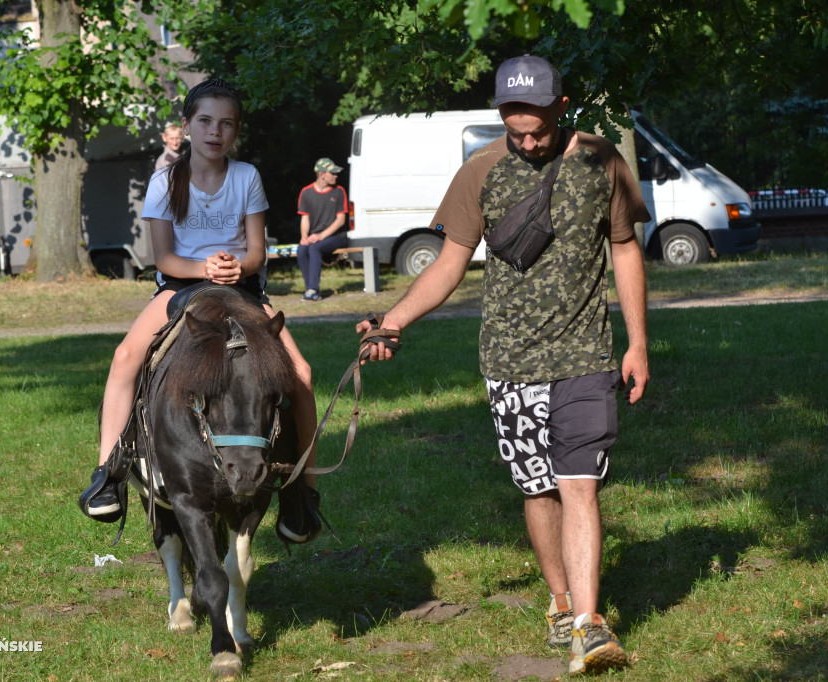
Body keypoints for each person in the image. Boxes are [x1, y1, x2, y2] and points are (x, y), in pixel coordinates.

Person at [356, 55, 650, 675]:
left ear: (560, 107)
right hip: (509, 361)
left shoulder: (603, 161)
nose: (529, 140)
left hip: (585, 354)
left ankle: (589, 625)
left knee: (579, 485)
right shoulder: (480, 171)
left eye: (538, 128)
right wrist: (393, 322)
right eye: (516, 129)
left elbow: (624, 248)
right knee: (537, 488)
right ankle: (561, 600)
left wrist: (637, 342)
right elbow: (447, 264)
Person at [79, 78, 323, 546]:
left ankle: (302, 494)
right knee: (125, 358)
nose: (216, 131)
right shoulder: (164, 180)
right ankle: (108, 473)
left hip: (243, 291)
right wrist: (203, 267)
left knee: (303, 375)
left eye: (227, 123)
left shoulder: (247, 177)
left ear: (236, 132)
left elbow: (257, 251)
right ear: (187, 126)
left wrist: (237, 266)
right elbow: (164, 259)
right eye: (206, 121)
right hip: (179, 287)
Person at [296, 158, 349, 301]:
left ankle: (313, 290)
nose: (336, 176)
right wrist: (304, 236)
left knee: (314, 248)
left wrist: (320, 236)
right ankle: (310, 290)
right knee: (301, 250)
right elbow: (305, 219)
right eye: (333, 173)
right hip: (314, 237)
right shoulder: (306, 192)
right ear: (322, 174)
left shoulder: (339, 191)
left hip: (337, 237)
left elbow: (341, 220)